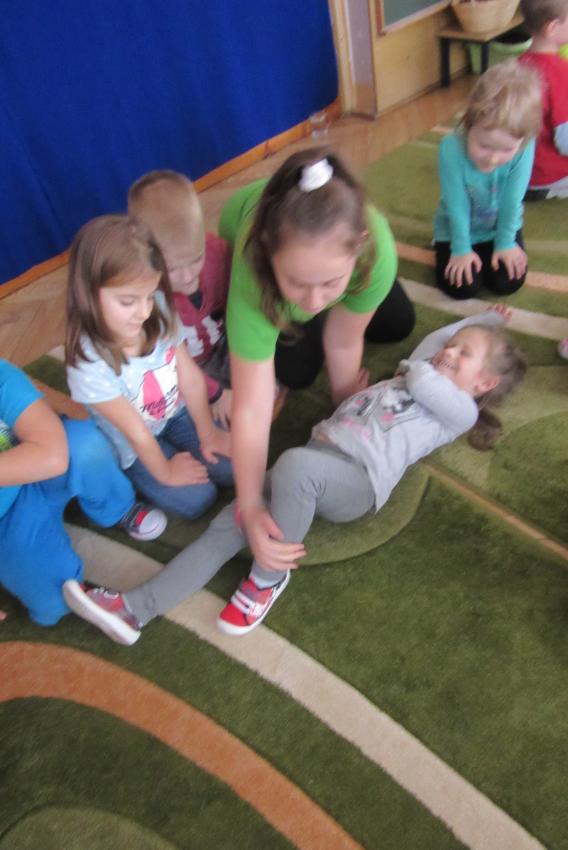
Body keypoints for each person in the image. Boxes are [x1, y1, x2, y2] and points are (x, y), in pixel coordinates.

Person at [62, 306, 526, 645]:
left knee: (295, 466)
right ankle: (135, 609)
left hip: (358, 482)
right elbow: (435, 344)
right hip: (314, 461)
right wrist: (481, 322)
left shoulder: (458, 412)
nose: (448, 351)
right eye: (451, 346)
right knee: (227, 524)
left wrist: (442, 354)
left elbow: (425, 376)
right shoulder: (422, 367)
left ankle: (268, 578)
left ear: (483, 385)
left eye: (463, 353)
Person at [216, 147, 415, 572]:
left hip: (342, 263)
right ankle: (304, 284)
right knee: (296, 370)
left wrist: (346, 405)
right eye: (297, 283)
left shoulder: (377, 248)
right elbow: (252, 407)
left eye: (330, 283)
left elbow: (343, 341)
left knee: (399, 322)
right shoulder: (252, 263)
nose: (312, 302)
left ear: (360, 246)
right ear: (269, 255)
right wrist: (249, 504)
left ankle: (321, 281)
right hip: (249, 242)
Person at [65, 215, 233, 519]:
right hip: (134, 445)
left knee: (235, 466)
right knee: (198, 499)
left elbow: (190, 379)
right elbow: (136, 432)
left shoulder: (157, 306)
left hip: (176, 413)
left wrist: (208, 433)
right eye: (128, 301)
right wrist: (167, 472)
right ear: (88, 292)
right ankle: (139, 478)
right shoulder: (87, 363)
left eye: (148, 296)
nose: (143, 312)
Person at [0, 359, 167, 627]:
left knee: (84, 444)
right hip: (7, 519)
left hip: (43, 470)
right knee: (55, 602)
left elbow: (53, 456)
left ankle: (118, 508)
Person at [128, 170, 234, 427]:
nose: (188, 277)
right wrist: (216, 394)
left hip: (223, 347)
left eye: (196, 258)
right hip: (184, 372)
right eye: (172, 268)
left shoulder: (218, 252)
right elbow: (170, 363)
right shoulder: (145, 297)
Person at [433, 60, 541, 300]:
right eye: (483, 145)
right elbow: (457, 205)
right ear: (468, 123)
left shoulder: (525, 148)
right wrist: (461, 249)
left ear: (522, 142)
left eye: (506, 150)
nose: (492, 159)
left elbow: (512, 201)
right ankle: (469, 252)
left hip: (500, 227)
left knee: (507, 282)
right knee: (461, 288)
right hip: (456, 229)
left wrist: (505, 243)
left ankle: (488, 251)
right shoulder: (451, 148)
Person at [519, 0, 568, 200]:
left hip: (517, 172)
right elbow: (565, 140)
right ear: (552, 27)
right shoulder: (561, 73)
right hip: (548, 176)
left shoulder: (519, 64)